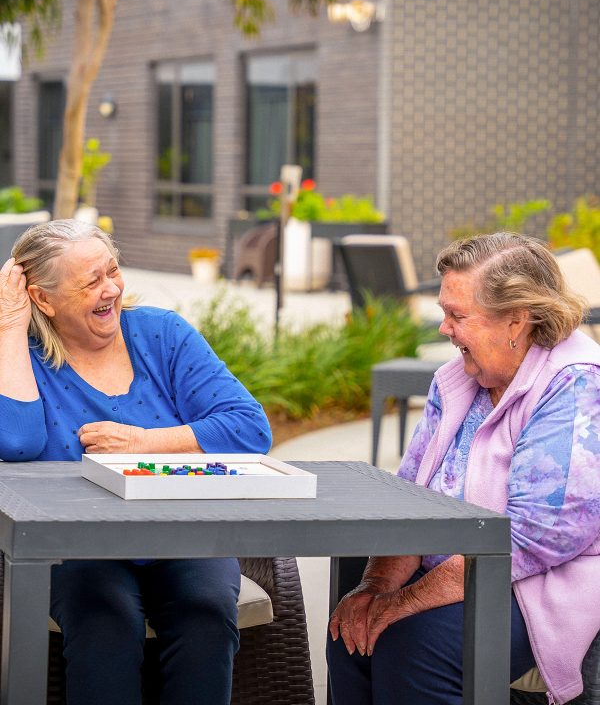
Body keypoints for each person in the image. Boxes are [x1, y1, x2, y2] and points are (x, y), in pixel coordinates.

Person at [0, 219, 272, 705]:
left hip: (183, 532)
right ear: (44, 299)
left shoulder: (161, 334)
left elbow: (250, 428)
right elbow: (16, 443)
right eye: (91, 282)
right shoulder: (23, 357)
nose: (111, 290)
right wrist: (10, 327)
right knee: (105, 620)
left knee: (205, 612)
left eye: (112, 271)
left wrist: (146, 442)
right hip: (78, 546)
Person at [327, 232, 600, 705]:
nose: (443, 329)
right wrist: (377, 588)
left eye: (457, 315)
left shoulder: (576, 386)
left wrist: (405, 603)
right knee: (350, 632)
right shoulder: (457, 380)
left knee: (412, 647)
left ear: (516, 320)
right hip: (458, 574)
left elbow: (534, 538)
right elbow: (410, 497)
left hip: (537, 584)